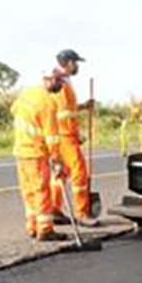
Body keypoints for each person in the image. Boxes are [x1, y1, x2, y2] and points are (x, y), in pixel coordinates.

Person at [12, 72, 68, 242]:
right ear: (48, 80)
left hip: (21, 150)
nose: (61, 85)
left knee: (28, 191)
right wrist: (57, 159)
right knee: (42, 191)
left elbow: (13, 109)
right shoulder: (48, 103)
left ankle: (32, 226)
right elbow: (52, 136)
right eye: (58, 81)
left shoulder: (27, 93)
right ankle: (45, 230)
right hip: (36, 153)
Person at [49, 49, 99, 228]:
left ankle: (54, 209)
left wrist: (84, 106)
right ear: (69, 63)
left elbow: (68, 109)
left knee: (61, 173)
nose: (77, 66)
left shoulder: (62, 80)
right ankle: (81, 213)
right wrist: (74, 134)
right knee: (80, 173)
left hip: (62, 135)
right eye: (76, 62)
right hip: (65, 135)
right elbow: (63, 114)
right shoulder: (60, 81)